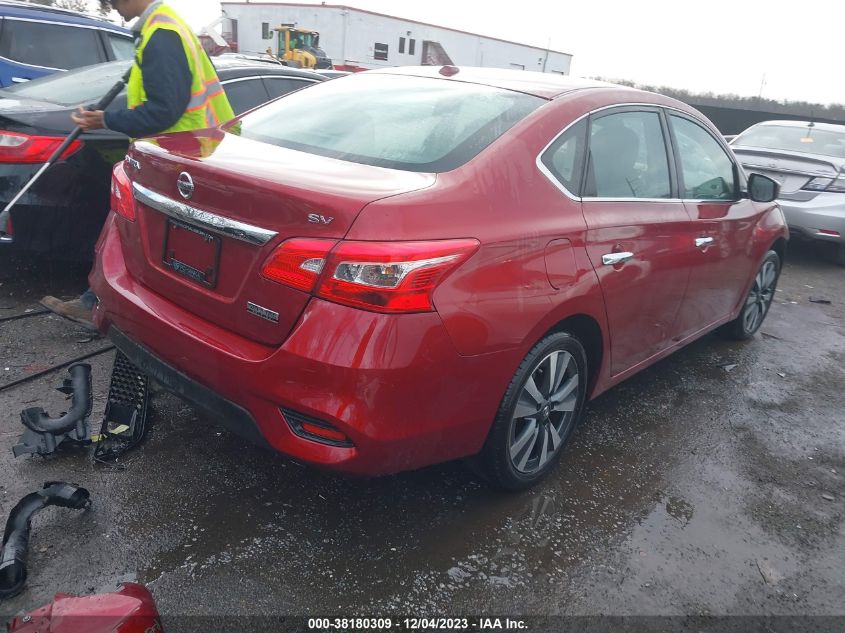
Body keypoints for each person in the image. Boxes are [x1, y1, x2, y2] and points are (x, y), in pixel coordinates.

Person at [40, 0, 235, 329]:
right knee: (128, 232)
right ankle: (103, 303)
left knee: (129, 232)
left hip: (176, 159)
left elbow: (163, 111)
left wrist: (106, 119)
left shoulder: (162, 34)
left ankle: (110, 307)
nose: (112, 6)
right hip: (183, 154)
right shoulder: (162, 28)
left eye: (113, 0)